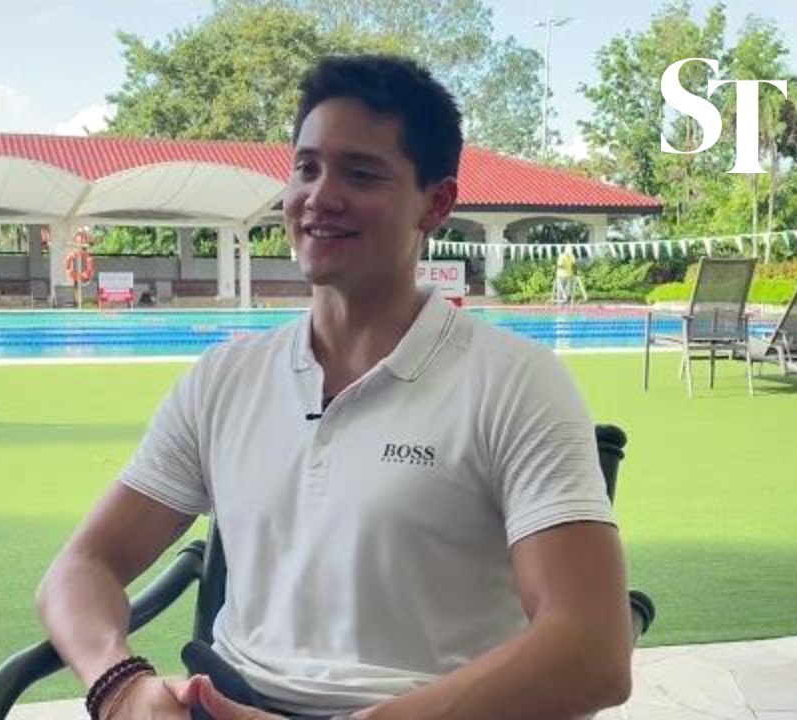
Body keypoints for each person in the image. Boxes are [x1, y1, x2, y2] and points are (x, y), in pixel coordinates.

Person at [37, 55, 632, 720]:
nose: (320, 197)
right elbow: (81, 567)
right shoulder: (226, 379)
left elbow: (593, 649)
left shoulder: (514, 383)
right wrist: (121, 685)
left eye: (361, 173)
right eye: (307, 168)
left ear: (436, 203)